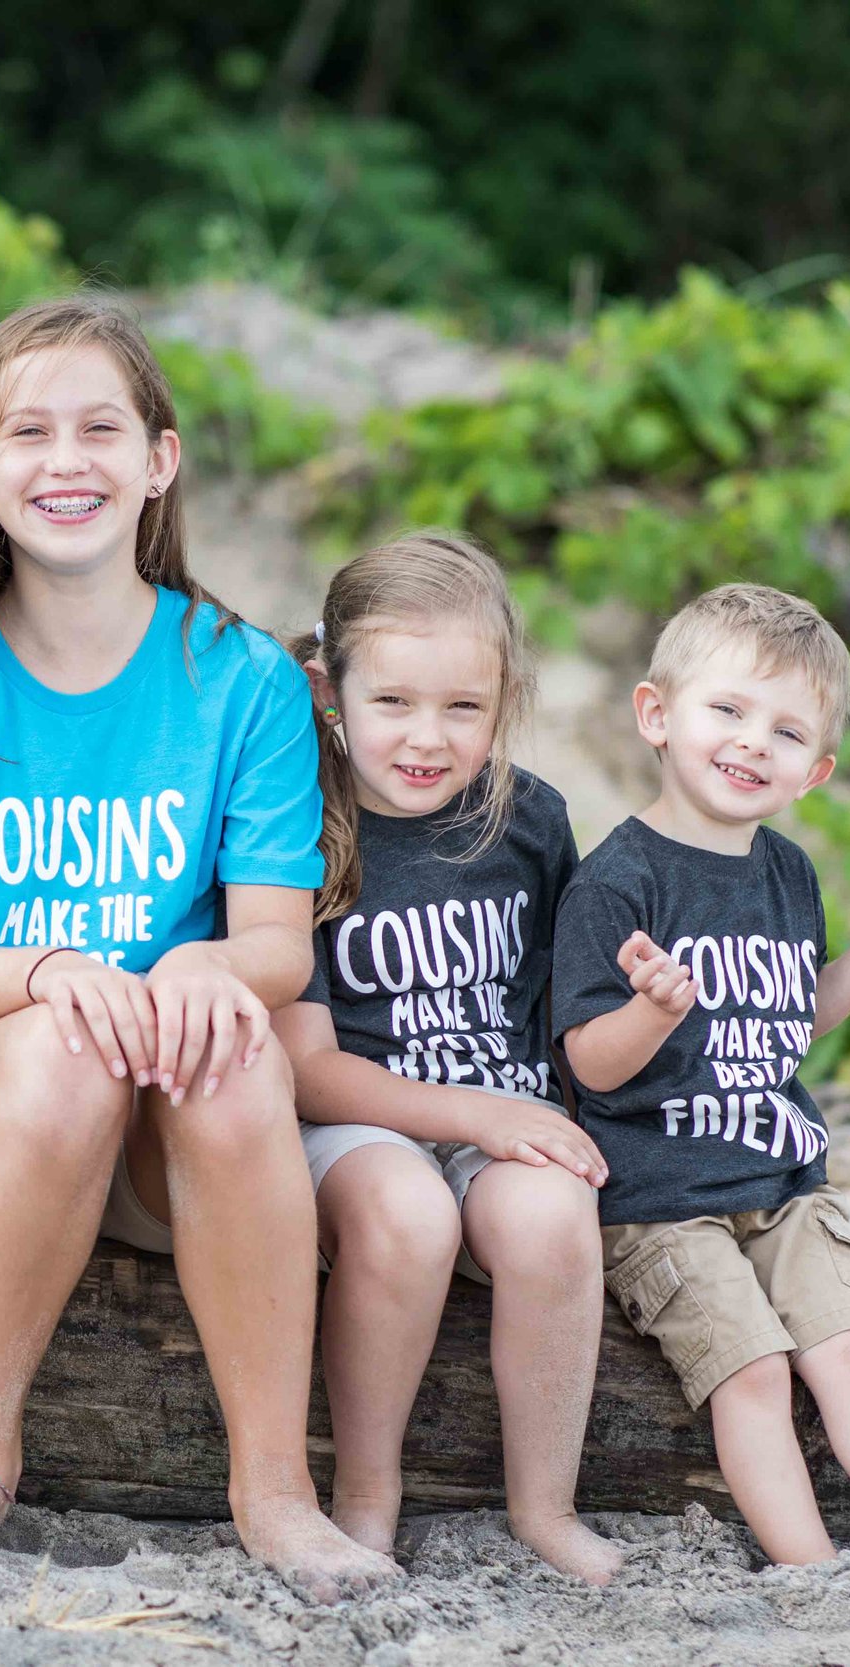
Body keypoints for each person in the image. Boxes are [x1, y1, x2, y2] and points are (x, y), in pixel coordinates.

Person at [0, 293, 385, 1600]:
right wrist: (48, 976)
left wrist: (202, 969)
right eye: (28, 432)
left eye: (100, 428)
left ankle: (277, 1489)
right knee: (67, 1045)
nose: (64, 460)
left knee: (238, 1047)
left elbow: (273, 951)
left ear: (160, 461)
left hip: (178, 1123)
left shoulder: (243, 677)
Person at [555, 582, 850, 1566]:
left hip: (780, 1182)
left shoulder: (787, 874)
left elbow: (783, 1026)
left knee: (843, 1345)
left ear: (818, 767)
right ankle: (813, 1567)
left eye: (787, 730)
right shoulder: (618, 880)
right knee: (752, 1366)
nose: (753, 742)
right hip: (661, 1197)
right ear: (656, 715)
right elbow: (585, 1061)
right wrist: (651, 1011)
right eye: (727, 710)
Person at [275, 532, 622, 1583]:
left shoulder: (529, 820)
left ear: (505, 694)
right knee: (407, 1213)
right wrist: (472, 1117)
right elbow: (306, 1067)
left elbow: (566, 1006)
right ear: (328, 688)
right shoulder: (298, 826)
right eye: (393, 704)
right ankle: (367, 1495)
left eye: (462, 707)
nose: (427, 737)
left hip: (500, 1109)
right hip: (357, 1120)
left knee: (554, 1210)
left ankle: (544, 1506)